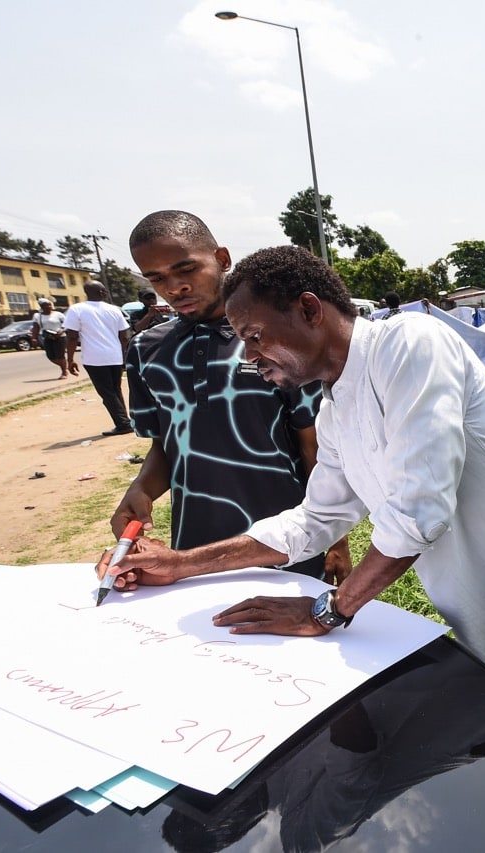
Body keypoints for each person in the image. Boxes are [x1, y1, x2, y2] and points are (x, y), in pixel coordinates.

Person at [110, 246, 485, 853]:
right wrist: (180, 563)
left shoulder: (410, 344)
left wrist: (330, 610)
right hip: (468, 577)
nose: (249, 357)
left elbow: (419, 509)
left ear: (308, 309)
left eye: (254, 336)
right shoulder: (334, 411)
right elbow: (314, 520)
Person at [117, 211, 350, 582]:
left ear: (222, 259)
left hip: (286, 543)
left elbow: (314, 446)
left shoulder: (272, 336)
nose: (175, 287)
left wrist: (336, 538)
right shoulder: (146, 349)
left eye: (187, 269)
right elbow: (166, 445)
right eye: (157, 278)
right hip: (192, 547)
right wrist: (141, 488)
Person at [64, 280, 133, 435]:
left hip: (94, 358)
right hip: (114, 356)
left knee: (107, 392)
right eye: (104, 290)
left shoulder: (77, 309)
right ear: (100, 292)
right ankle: (125, 420)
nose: (106, 293)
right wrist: (124, 354)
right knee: (115, 390)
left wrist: (70, 359)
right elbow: (124, 335)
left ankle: (123, 424)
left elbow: (72, 337)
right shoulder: (114, 310)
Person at [31, 298, 73, 378]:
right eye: (46, 306)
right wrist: (34, 338)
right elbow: (35, 328)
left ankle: (64, 372)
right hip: (48, 337)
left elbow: (67, 324)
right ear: (42, 307)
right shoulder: (37, 316)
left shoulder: (58, 314)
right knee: (51, 356)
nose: (49, 307)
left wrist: (62, 330)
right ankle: (65, 366)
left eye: (50, 305)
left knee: (60, 355)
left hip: (60, 337)